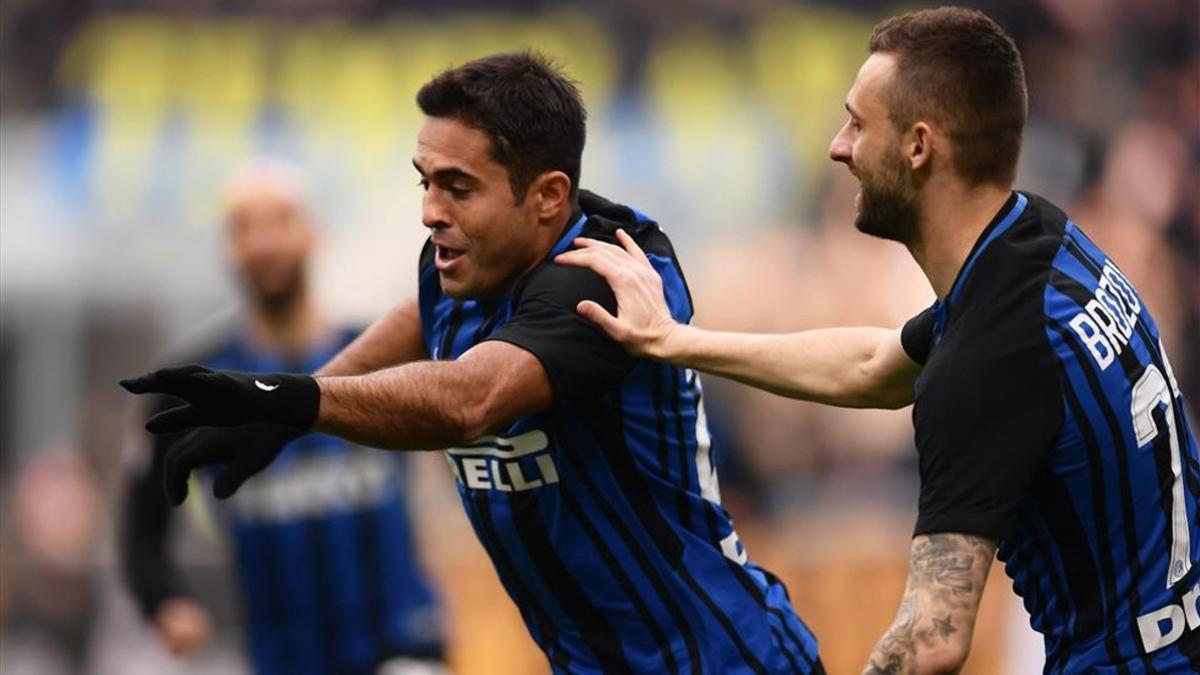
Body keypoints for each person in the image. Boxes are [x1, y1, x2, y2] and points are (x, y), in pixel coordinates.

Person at [120, 52, 824, 674]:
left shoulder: (604, 279)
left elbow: (469, 400)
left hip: (720, 658)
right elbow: (422, 314)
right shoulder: (464, 254)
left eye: (456, 187)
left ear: (548, 195)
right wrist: (295, 411)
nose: (430, 212)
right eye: (424, 181)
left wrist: (297, 399)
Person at [553, 7, 1199, 675]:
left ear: (919, 146)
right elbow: (875, 365)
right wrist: (673, 340)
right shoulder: (1035, 239)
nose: (838, 146)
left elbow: (931, 639)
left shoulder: (986, 365)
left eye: (858, 124)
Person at [121, 161, 447, 675]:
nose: (265, 243)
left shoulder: (384, 352)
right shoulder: (194, 390)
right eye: (245, 227)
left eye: (280, 221)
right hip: (283, 657)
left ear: (313, 232)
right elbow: (142, 534)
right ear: (227, 247)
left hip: (403, 645)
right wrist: (166, 603)